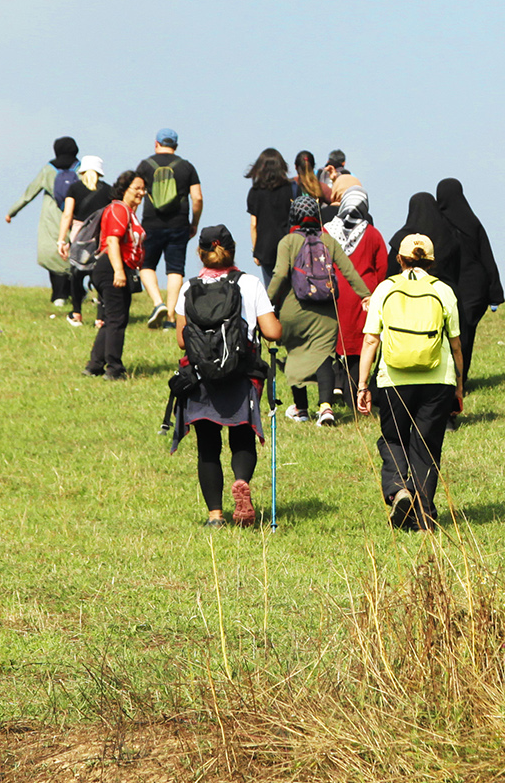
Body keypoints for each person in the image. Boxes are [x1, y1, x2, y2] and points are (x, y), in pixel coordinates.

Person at [168, 226, 282, 528]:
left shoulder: (189, 287)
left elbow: (182, 339)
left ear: (200, 253)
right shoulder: (249, 283)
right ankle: (241, 481)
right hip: (240, 373)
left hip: (201, 377)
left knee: (207, 445)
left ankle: (215, 516)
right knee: (241, 437)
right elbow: (272, 332)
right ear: (233, 249)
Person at [356, 234, 466, 530]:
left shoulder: (385, 289)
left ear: (399, 259)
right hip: (437, 379)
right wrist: (458, 386)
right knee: (426, 447)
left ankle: (397, 489)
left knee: (393, 439)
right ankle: (424, 517)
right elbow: (456, 344)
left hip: (393, 378)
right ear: (431, 261)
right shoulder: (443, 290)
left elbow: (370, 340)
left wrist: (362, 384)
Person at [266, 189, 372, 427]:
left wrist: (265, 303)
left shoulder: (288, 242)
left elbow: (280, 274)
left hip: (294, 308)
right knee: (325, 356)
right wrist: (366, 295)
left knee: (296, 355)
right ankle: (325, 409)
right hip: (326, 309)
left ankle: (302, 409)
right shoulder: (328, 240)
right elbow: (348, 271)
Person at [434, 178, 504, 424]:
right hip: (475, 290)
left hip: (448, 288)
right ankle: (463, 377)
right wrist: (495, 293)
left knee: (448, 335)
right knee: (466, 336)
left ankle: (450, 379)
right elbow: (487, 256)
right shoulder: (473, 222)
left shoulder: (436, 224)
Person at [324, 186, 388, 419]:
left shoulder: (326, 232)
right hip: (364, 299)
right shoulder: (372, 234)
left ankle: (332, 395)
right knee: (360, 348)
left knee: (335, 345)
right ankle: (360, 394)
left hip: (333, 296)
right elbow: (382, 268)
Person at [136, 129, 202, 330]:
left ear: (156, 143)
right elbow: (197, 198)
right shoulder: (186, 166)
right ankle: (170, 318)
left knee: (146, 266)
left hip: (151, 223)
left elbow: (136, 192)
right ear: (176, 146)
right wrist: (194, 223)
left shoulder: (146, 165)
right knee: (175, 269)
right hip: (179, 223)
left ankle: (158, 304)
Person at [84, 171, 146, 379]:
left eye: (143, 189)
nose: (141, 192)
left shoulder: (128, 211)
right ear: (124, 188)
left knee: (113, 318)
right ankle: (114, 368)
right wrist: (119, 272)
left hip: (116, 266)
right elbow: (112, 241)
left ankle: (95, 365)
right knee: (117, 320)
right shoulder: (118, 209)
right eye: (136, 188)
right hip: (112, 266)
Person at [6, 137, 79, 307]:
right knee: (73, 254)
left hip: (51, 217)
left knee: (53, 254)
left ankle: (59, 296)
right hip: (75, 215)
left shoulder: (48, 169)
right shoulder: (81, 168)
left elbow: (29, 193)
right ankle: (76, 292)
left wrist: (12, 212)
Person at [57, 155, 113, 326]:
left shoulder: (74, 189)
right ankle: (101, 318)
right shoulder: (108, 190)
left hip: (79, 236)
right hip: (100, 236)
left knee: (76, 274)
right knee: (100, 276)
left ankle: (76, 314)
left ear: (82, 171)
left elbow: (67, 214)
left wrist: (61, 240)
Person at [387, 193, 461, 287]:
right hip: (442, 290)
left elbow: (391, 272)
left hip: (407, 291)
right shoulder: (449, 236)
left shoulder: (401, 238)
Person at [244, 148, 294, 284]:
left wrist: (255, 251)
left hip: (265, 248)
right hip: (288, 246)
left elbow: (253, 224)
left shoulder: (254, 192)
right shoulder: (291, 189)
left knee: (271, 288)